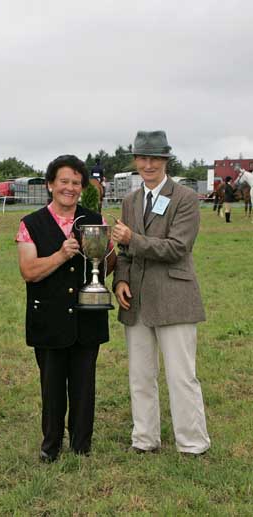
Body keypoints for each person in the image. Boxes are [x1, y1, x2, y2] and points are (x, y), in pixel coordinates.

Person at [112, 130, 210, 456]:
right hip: (136, 300)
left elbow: (178, 248)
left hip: (174, 298)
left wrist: (131, 239)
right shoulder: (130, 201)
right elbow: (124, 254)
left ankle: (193, 444)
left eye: (155, 158)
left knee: (182, 377)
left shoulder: (184, 197)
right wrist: (121, 281)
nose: (148, 164)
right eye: (142, 157)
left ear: (166, 160)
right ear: (135, 160)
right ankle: (144, 440)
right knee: (140, 376)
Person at [17, 155, 115, 462]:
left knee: (85, 386)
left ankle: (82, 445)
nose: (70, 188)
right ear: (50, 185)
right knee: (52, 385)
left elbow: (106, 268)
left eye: (76, 183)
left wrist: (111, 250)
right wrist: (60, 255)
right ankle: (51, 446)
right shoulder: (30, 224)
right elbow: (29, 271)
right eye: (64, 182)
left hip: (88, 317)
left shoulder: (94, 220)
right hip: (49, 318)